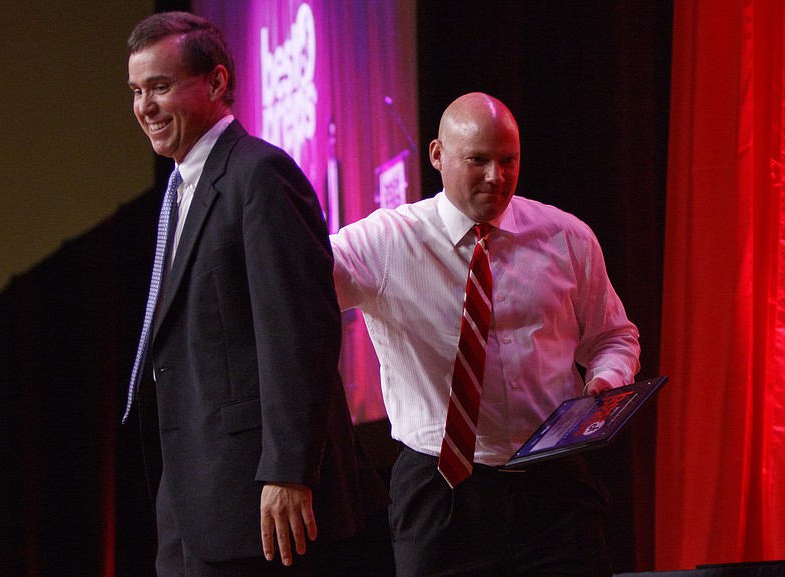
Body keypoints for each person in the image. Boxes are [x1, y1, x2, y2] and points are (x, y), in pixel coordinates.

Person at [330, 92, 641, 576]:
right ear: (437, 154)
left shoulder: (567, 237)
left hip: (555, 490)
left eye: (508, 161)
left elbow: (613, 337)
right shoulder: (387, 241)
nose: (496, 177)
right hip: (442, 493)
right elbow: (295, 279)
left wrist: (605, 382)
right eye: (478, 160)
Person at [122, 12, 389, 576]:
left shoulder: (259, 175)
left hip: (261, 503)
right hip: (194, 500)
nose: (145, 107)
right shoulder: (179, 191)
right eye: (137, 91)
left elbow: (299, 335)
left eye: (161, 87)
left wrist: (289, 469)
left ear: (216, 83)